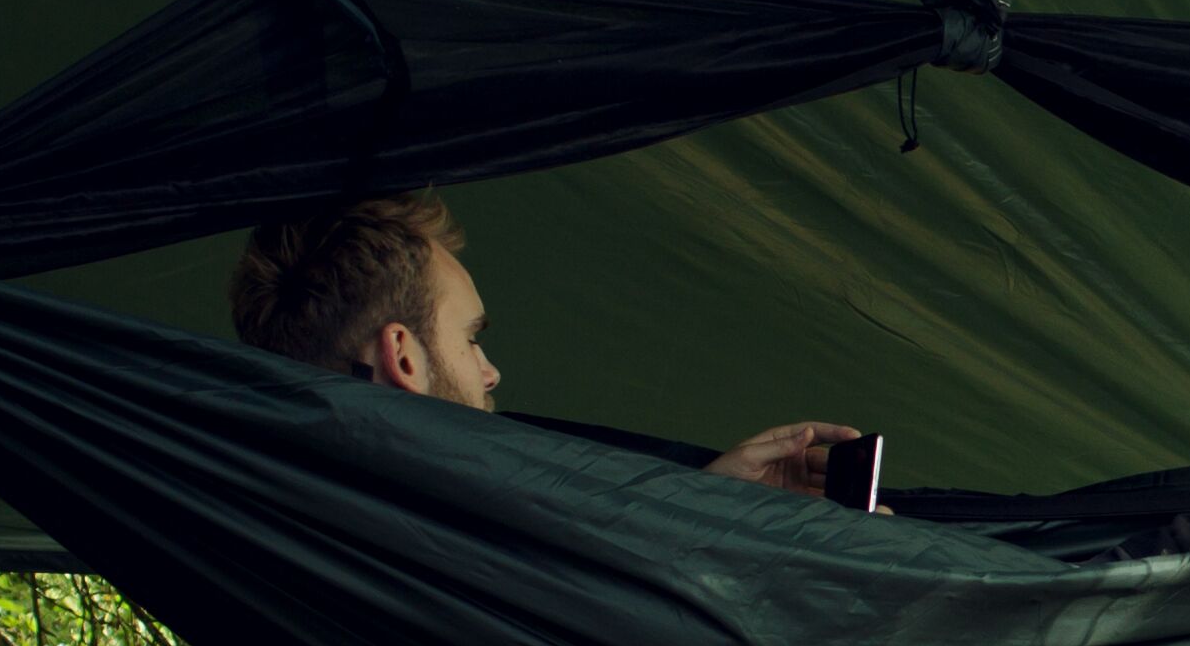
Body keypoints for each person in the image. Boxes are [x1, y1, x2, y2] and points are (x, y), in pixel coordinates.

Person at [228, 189, 859, 496]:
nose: (491, 372)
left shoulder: (339, 521)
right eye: (471, 339)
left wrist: (712, 503)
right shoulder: (446, 522)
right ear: (403, 356)